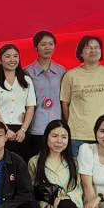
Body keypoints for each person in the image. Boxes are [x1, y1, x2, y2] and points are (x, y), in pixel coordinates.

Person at [28, 119, 86, 208]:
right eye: (54, 136)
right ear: (46, 137)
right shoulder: (35, 162)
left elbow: (78, 189)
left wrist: (64, 198)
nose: (59, 141)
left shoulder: (74, 163)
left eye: (64, 137)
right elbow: (31, 191)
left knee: (66, 205)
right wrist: (51, 200)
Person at [60, 35, 104, 156]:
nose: (93, 51)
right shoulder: (71, 75)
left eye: (96, 47)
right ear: (81, 52)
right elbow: (65, 104)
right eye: (88, 48)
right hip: (78, 136)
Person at [0, 44, 36, 162]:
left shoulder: (26, 81)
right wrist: (5, 130)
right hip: (0, 129)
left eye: (15, 56)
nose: (12, 59)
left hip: (20, 131)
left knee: (20, 164)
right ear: (0, 60)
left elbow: (30, 107)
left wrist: (23, 130)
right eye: (8, 56)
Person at [25, 31, 66, 159]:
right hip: (36, 126)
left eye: (50, 44)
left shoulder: (61, 72)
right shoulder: (28, 72)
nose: (47, 47)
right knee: (36, 161)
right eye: (43, 44)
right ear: (35, 48)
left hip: (57, 125)